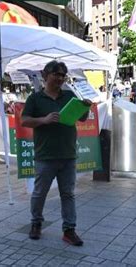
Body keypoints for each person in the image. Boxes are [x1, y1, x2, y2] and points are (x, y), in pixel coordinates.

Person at [21, 61, 92, 247]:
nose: (60, 78)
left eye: (63, 75)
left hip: (68, 154)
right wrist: (43, 120)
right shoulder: (35, 99)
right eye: (56, 74)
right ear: (45, 75)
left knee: (68, 193)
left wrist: (85, 107)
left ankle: (69, 230)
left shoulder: (69, 95)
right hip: (45, 155)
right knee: (39, 193)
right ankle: (36, 223)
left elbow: (82, 117)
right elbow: (25, 121)